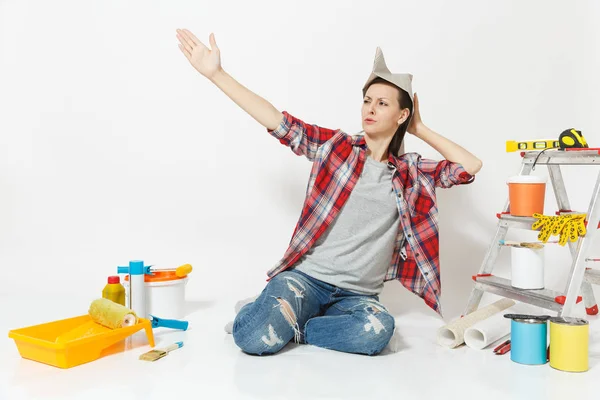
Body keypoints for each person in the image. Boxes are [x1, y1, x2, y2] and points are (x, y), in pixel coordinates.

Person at [176, 29, 483, 356]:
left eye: (382, 103)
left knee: (378, 334)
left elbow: (469, 166)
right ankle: (273, 309)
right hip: (305, 282)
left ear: (402, 115)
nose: (371, 109)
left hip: (357, 299)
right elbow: (280, 123)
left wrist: (419, 128)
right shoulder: (338, 149)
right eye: (367, 101)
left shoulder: (411, 173)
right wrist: (216, 74)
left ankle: (299, 326)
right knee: (251, 338)